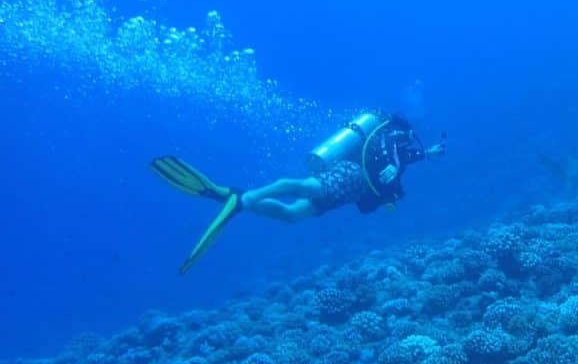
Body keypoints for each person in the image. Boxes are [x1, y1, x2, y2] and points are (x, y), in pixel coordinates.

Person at [151, 112, 445, 274]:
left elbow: (406, 157)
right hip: (351, 174)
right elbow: (393, 153)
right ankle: (254, 196)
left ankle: (237, 199)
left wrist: (427, 153)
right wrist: (396, 163)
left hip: (351, 193)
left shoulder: (402, 148)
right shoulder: (392, 135)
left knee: (292, 215)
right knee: (305, 186)